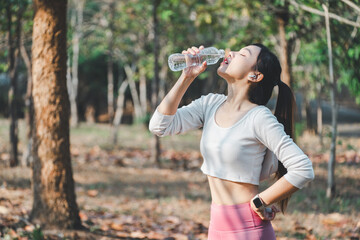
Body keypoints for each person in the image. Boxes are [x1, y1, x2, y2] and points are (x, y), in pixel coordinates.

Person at [149, 44, 315, 239]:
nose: (231, 53)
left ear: (255, 75)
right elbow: (160, 126)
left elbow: (303, 168)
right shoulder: (210, 104)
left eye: (242, 54)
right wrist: (186, 77)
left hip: (248, 229)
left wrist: (260, 201)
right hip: (216, 226)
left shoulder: (259, 117)